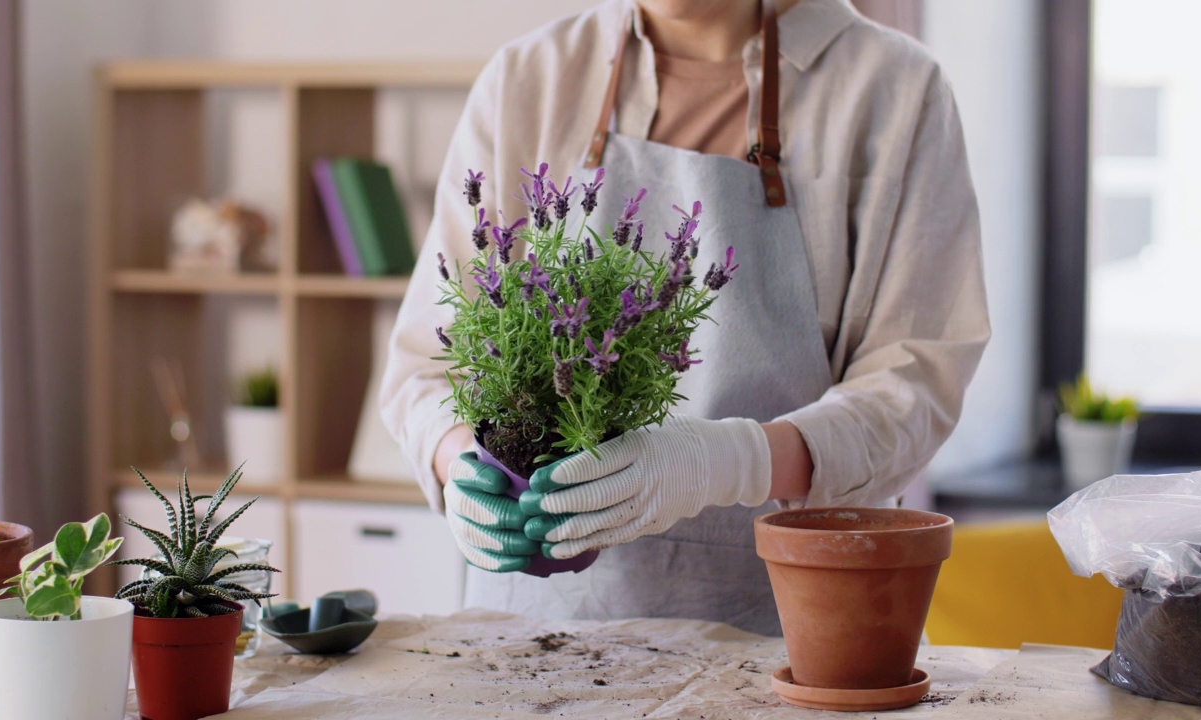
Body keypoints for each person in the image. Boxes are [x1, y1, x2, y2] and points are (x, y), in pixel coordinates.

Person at [381, 0, 989, 636]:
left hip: (793, 630)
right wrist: (459, 467)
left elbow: (915, 383)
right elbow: (428, 359)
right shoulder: (532, 77)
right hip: (542, 633)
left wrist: (732, 461)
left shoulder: (891, 88)